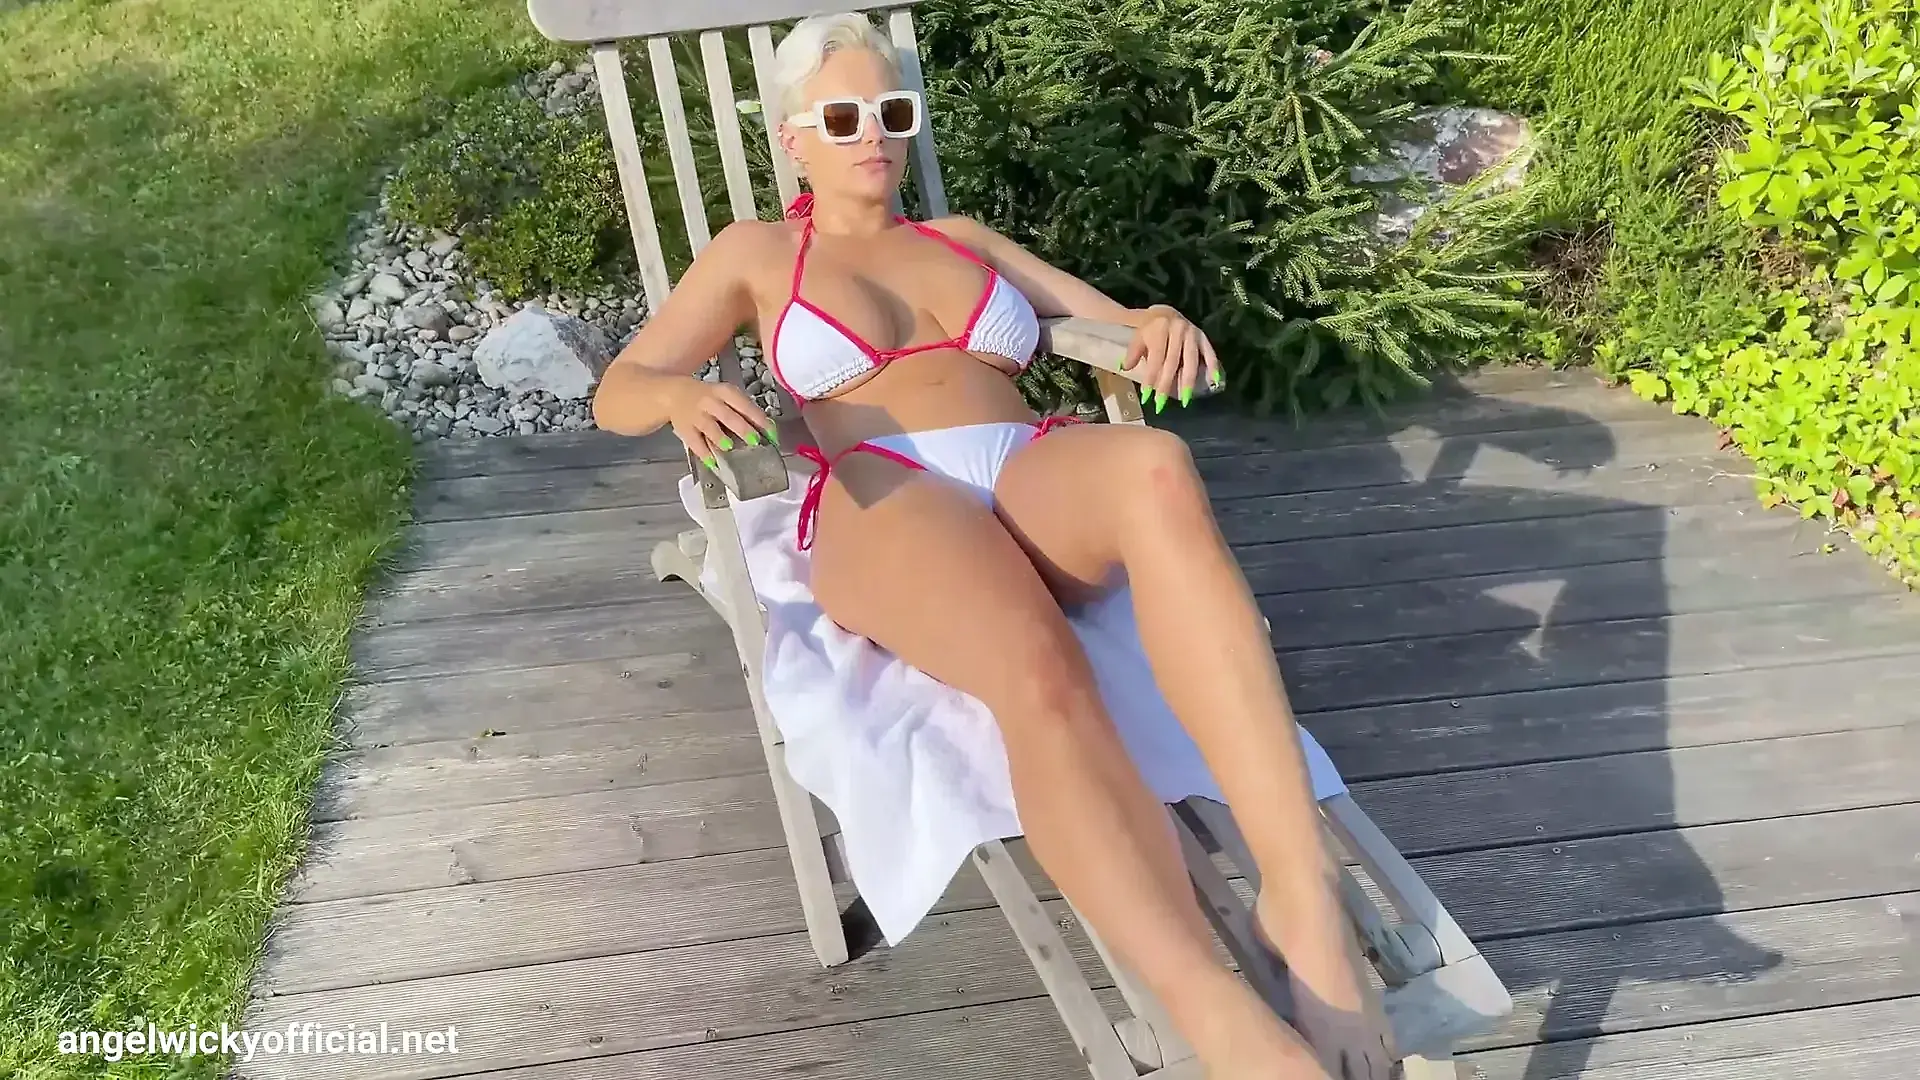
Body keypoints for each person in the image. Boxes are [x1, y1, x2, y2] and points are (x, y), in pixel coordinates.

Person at [589, 12, 1394, 1079]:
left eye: (891, 111)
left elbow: (1120, 326)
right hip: (886, 496)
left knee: (1156, 464)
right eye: (843, 116)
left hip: (1024, 468)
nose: (874, 134)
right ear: (795, 138)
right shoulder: (759, 253)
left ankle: (1304, 904)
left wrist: (1157, 325)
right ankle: (1217, 1015)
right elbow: (620, 388)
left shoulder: (961, 239)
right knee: (1034, 663)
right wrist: (681, 396)